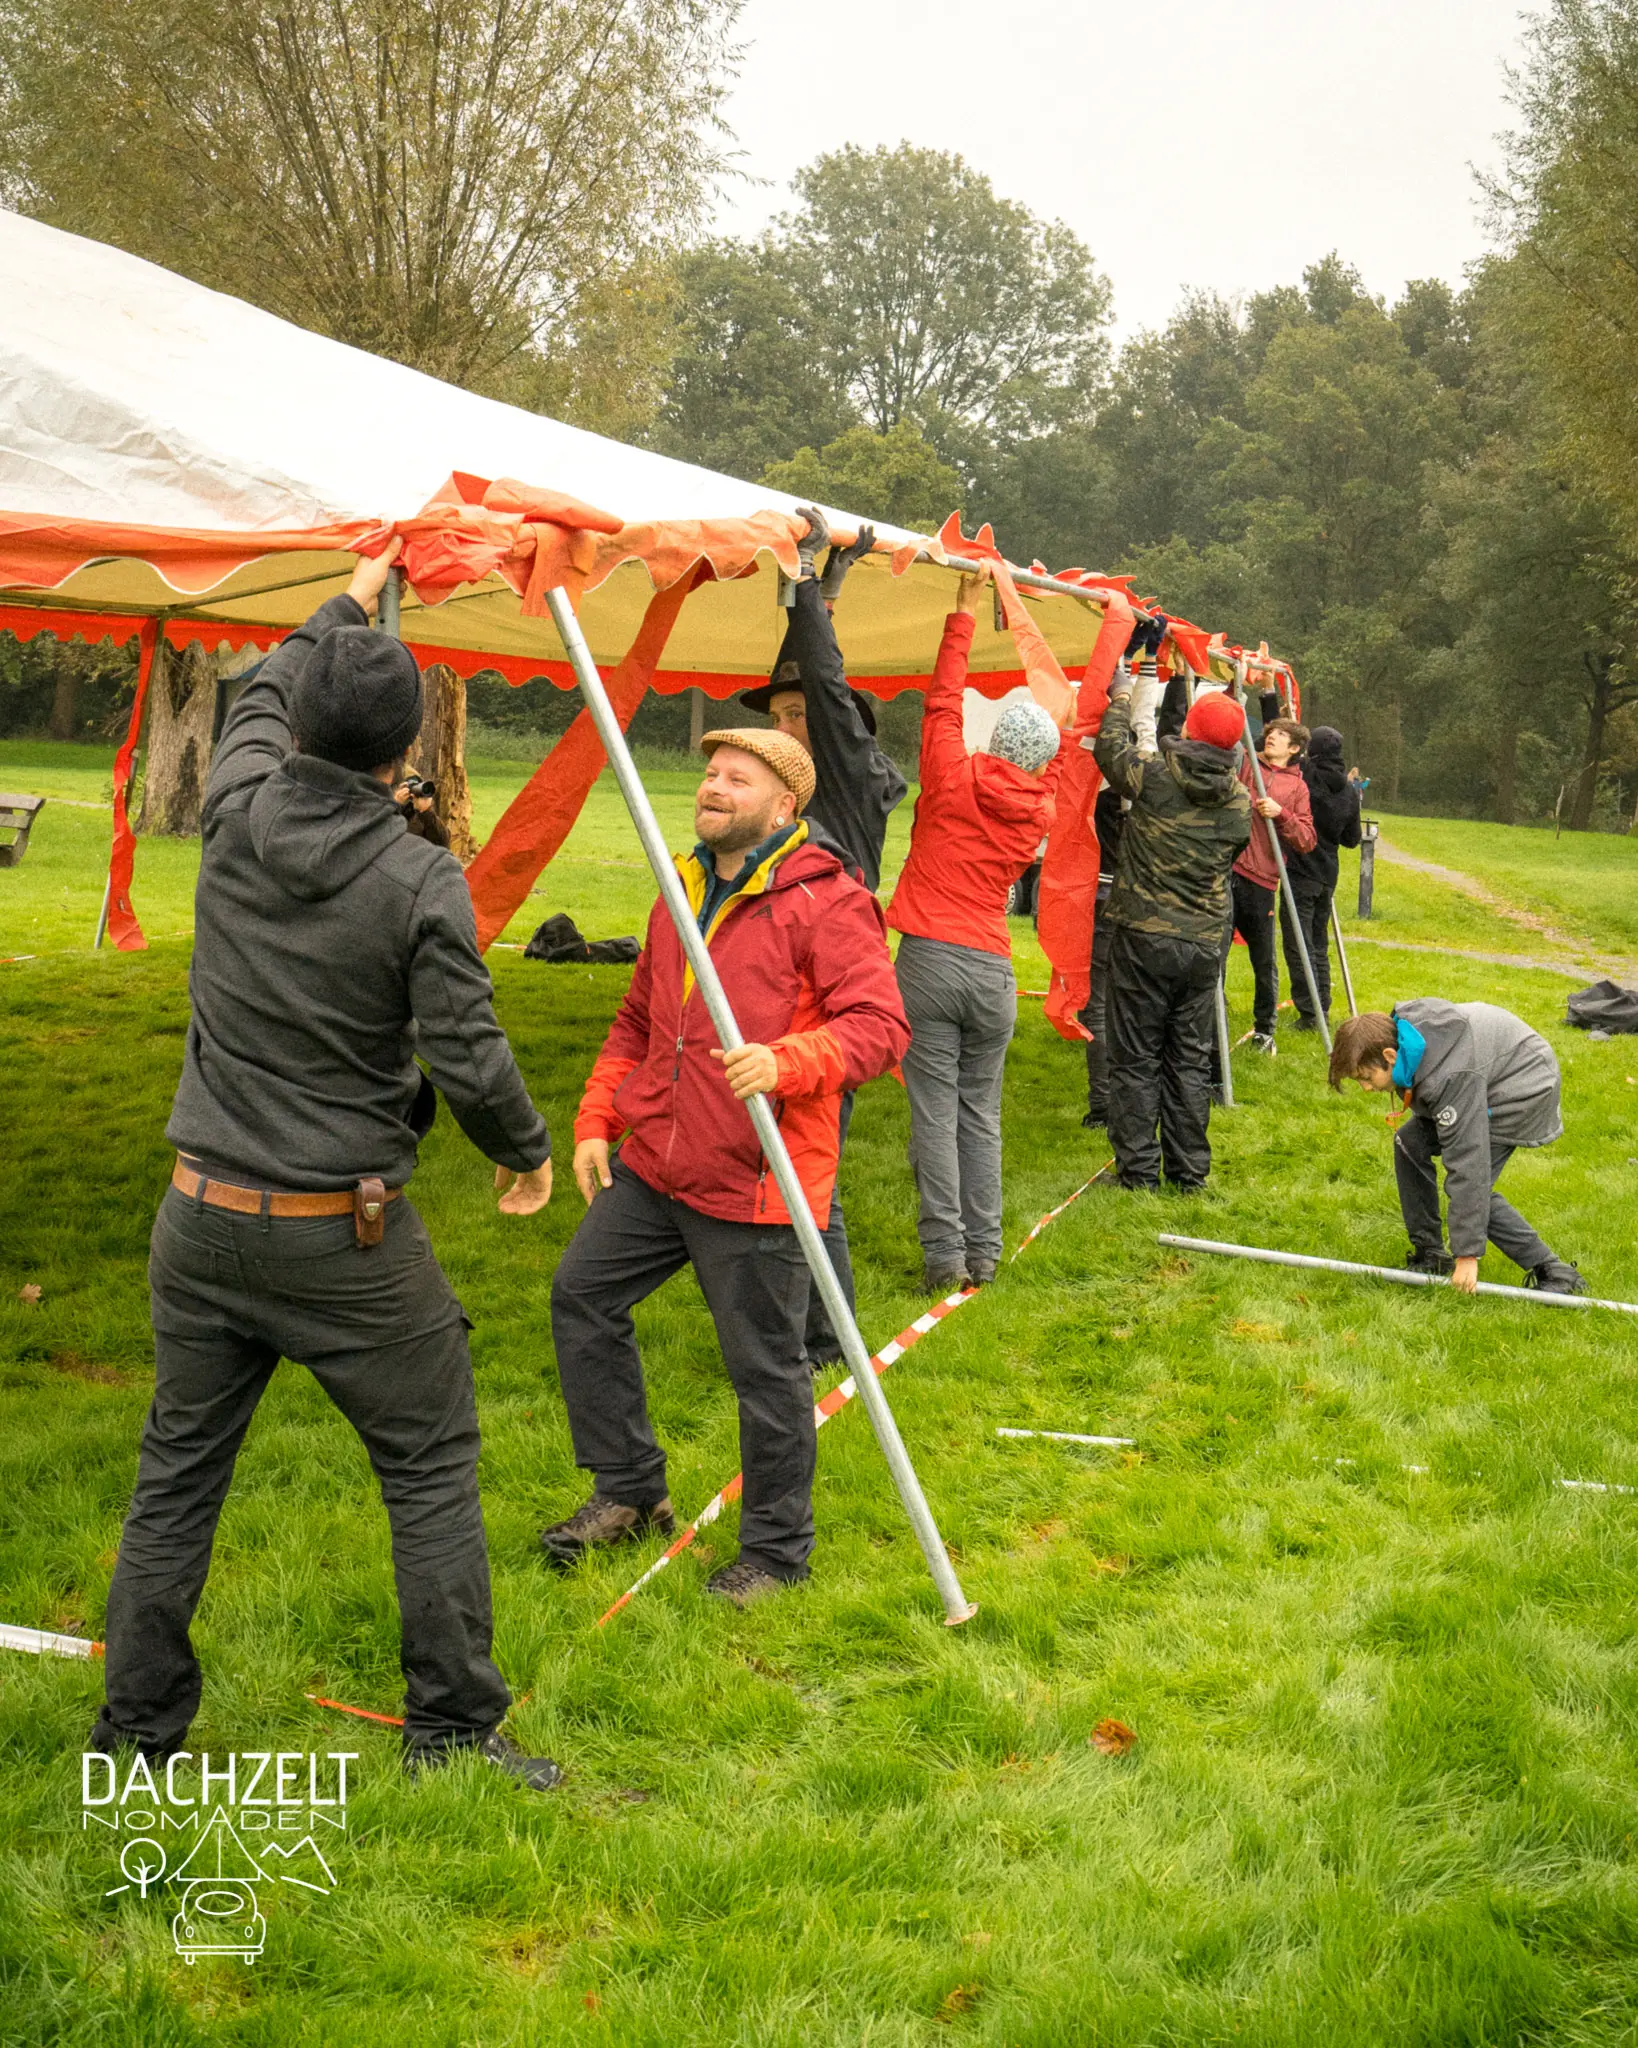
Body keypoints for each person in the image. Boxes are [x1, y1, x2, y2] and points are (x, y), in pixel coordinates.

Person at [91, 545, 562, 1789]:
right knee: (431, 1462)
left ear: (295, 721)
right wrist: (525, 1152)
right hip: (339, 1233)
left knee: (177, 1470)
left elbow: (253, 699)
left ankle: (132, 1736)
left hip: (198, 1217)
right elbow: (468, 1053)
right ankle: (455, 1730)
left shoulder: (238, 809)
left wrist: (344, 598)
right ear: (410, 753)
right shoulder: (420, 878)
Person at [544, 728, 910, 1606]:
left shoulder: (830, 901)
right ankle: (629, 1490)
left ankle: (778, 1555)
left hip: (757, 1176)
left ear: (784, 807)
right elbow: (639, 1018)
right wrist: (599, 1114)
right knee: (582, 1297)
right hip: (658, 1163)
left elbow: (881, 1028)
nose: (712, 787)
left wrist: (789, 1061)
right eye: (708, 773)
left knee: (766, 1370)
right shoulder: (682, 885)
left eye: (735, 779)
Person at [736, 506, 909, 1365]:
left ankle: (824, 1335)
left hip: (827, 1009)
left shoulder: (841, 781)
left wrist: (807, 580)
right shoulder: (799, 790)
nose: (780, 727)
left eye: (793, 714)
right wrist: (825, 587)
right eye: (776, 712)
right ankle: (794, 1322)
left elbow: (832, 694)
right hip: (777, 1003)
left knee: (812, 1179)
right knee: (770, 1169)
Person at [886, 566, 1064, 1291]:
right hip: (993, 971)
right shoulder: (1042, 812)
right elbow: (1057, 756)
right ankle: (984, 1255)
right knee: (978, 1116)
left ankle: (945, 1259)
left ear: (995, 744)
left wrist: (963, 616)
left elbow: (941, 703)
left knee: (933, 1112)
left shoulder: (953, 778)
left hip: (930, 960)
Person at [1094, 682, 1252, 1191]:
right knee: (1187, 1057)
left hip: (1143, 936)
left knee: (1135, 1056)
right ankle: (1189, 1174)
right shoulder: (1241, 802)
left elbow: (1110, 750)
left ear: (1190, 731)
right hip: (1205, 943)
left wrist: (1120, 695)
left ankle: (1138, 1173)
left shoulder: (1157, 779)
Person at [1329, 1003, 1586, 1294]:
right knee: (1409, 1143)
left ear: (1389, 1056)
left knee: (1475, 1188)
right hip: (1483, 1073)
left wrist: (1466, 1256)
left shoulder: (1448, 1076)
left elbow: (1468, 1164)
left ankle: (1555, 1271)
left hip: (1523, 1085)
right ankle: (1431, 1255)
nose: (1365, 1088)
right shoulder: (1401, 1039)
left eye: (1366, 1077)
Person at [1227, 713, 1315, 1052]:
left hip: (1261, 880)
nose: (1272, 738)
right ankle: (1208, 1022)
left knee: (1264, 961)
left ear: (1293, 749)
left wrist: (1283, 814)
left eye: (1280, 736)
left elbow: (1307, 839)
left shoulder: (1297, 787)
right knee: (1214, 954)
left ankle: (1265, 1030)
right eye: (1270, 733)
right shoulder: (1247, 763)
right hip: (1226, 869)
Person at [1282, 725, 1361, 1031]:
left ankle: (1311, 1013)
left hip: (1302, 868)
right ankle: (1321, 1007)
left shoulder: (1306, 774)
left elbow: (1285, 744)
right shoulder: (1349, 791)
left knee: (1298, 943)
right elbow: (1352, 839)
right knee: (1317, 942)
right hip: (1328, 874)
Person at [394, 772, 450, 848]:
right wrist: (394, 806)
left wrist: (426, 810)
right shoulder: (384, 806)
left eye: (416, 786)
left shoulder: (423, 816)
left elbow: (443, 843)